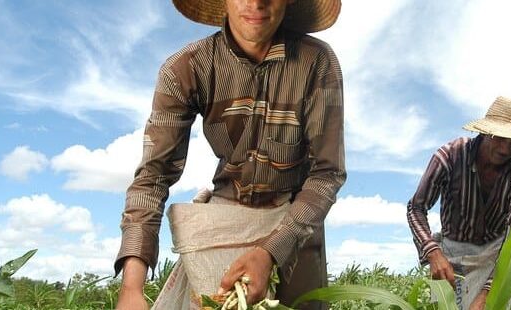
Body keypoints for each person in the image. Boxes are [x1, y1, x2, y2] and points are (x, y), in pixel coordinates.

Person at [114, 0, 345, 309]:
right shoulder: (187, 68)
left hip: (295, 224)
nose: (256, 3)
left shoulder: (316, 61)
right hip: (224, 223)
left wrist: (271, 251)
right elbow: (153, 177)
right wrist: (132, 287)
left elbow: (327, 173)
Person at [406, 97, 511, 310]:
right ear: (486, 132)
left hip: (497, 257)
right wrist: (433, 252)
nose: (505, 149)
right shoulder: (450, 156)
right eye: (500, 138)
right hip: (452, 256)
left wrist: (486, 295)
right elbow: (416, 208)